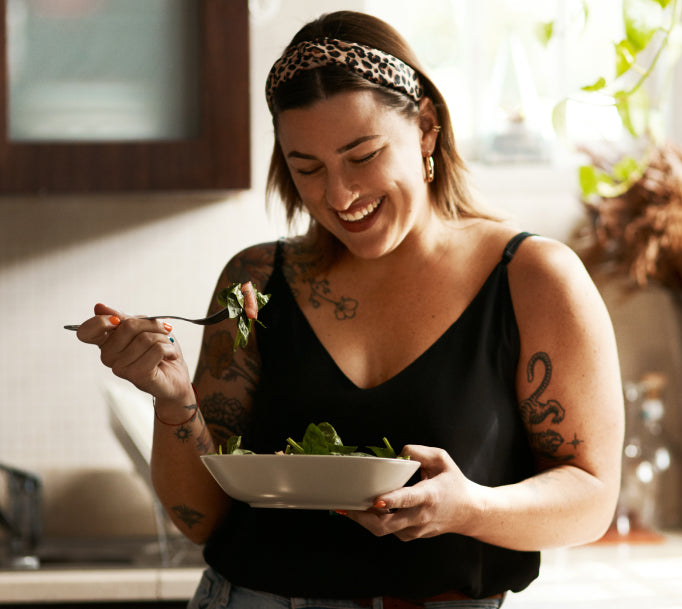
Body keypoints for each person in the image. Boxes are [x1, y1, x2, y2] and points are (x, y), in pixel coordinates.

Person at [75, 10, 624, 609]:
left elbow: (591, 500)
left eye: (362, 156)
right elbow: (202, 520)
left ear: (426, 129)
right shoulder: (257, 282)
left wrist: (469, 508)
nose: (338, 196)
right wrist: (173, 399)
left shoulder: (532, 279)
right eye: (306, 168)